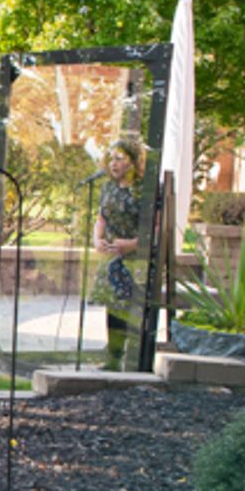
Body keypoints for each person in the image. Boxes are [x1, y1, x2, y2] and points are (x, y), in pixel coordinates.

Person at [93, 139, 145, 369]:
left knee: (130, 308)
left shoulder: (143, 189)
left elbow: (155, 230)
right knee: (112, 306)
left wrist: (131, 244)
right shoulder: (107, 187)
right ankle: (113, 358)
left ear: (132, 162)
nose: (113, 163)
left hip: (135, 259)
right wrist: (97, 239)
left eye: (119, 158)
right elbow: (101, 218)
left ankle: (132, 359)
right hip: (112, 257)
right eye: (111, 158)